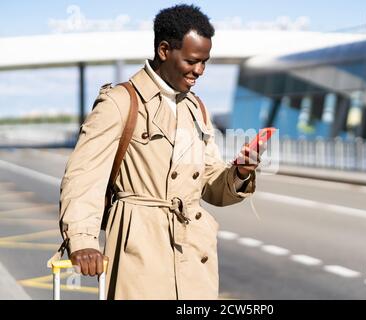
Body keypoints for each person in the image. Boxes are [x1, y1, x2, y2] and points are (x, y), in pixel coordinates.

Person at [56, 4, 263, 299]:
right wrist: (82, 240)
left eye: (205, 62)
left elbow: (209, 183)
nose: (199, 71)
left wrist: (239, 173)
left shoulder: (197, 108)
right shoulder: (119, 103)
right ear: (164, 50)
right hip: (140, 250)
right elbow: (83, 178)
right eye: (192, 61)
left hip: (192, 255)